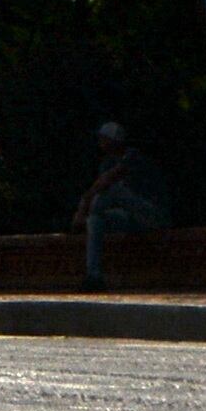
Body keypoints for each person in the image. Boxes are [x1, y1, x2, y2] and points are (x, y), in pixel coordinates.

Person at [74, 123, 170, 288]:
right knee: (95, 221)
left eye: (104, 138)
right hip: (131, 220)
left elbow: (106, 181)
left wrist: (83, 208)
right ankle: (94, 275)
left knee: (113, 191)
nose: (100, 141)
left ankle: (86, 217)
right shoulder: (107, 162)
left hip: (151, 215)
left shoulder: (132, 157)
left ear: (114, 140)